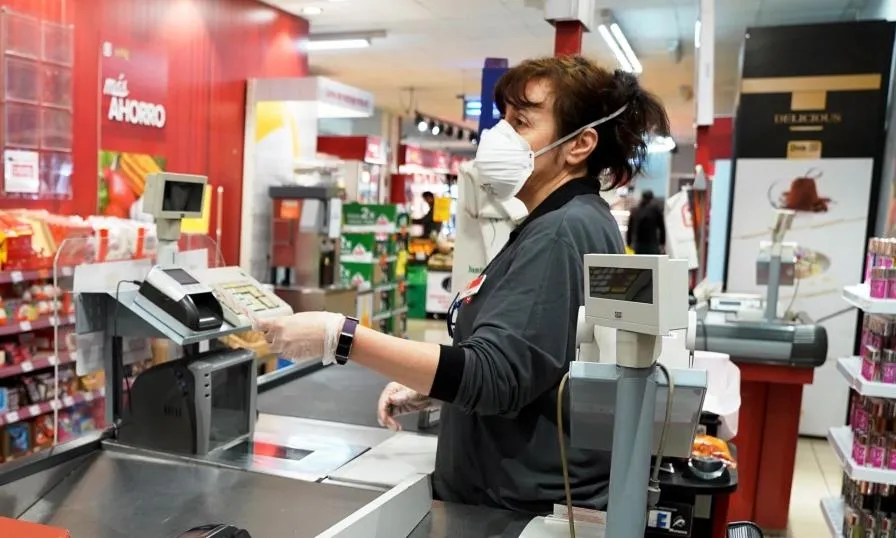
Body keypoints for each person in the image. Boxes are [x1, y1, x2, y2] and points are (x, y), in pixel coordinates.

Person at [257, 55, 670, 514]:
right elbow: (537, 361)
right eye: (503, 120)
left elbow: (495, 376)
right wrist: (438, 387)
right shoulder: (571, 221)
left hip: (513, 510)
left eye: (522, 121)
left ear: (579, 145)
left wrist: (341, 336)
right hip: (517, 495)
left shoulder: (560, 232)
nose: (500, 136)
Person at [626, 189, 666, 254]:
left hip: (638, 245)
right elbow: (662, 228)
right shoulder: (656, 210)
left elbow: (630, 229)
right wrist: (662, 243)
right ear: (652, 198)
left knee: (640, 263)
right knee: (652, 263)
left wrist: (629, 243)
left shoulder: (635, 210)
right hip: (652, 244)